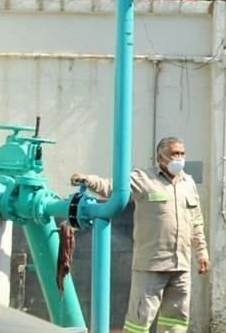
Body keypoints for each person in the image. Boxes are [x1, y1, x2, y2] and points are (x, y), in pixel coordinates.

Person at [71, 137, 209, 333]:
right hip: (151, 265)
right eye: (174, 154)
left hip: (181, 265)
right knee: (139, 321)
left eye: (181, 153)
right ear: (160, 157)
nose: (179, 158)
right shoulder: (143, 179)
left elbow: (196, 220)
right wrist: (89, 180)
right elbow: (113, 188)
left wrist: (202, 253)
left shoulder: (188, 183)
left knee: (176, 321)